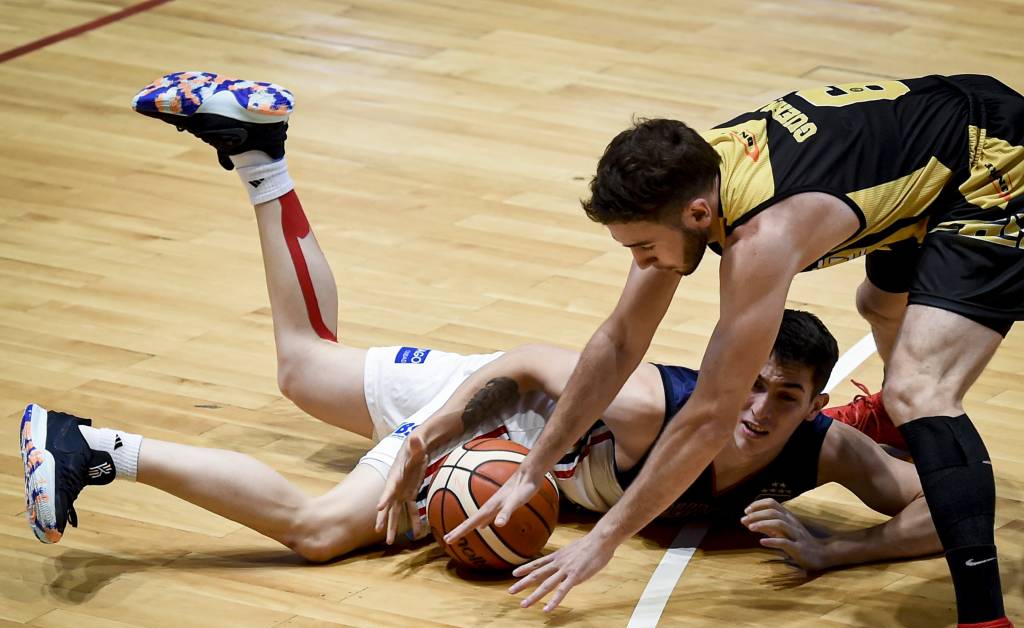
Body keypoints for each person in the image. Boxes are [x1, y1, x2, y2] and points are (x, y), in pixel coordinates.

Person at [19, 72, 937, 578]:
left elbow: (943, 510)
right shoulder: (659, 408)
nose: (762, 409)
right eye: (758, 385)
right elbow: (533, 361)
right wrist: (427, 436)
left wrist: (840, 550)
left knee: (301, 364)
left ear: (819, 404)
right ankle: (90, 448)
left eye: (787, 398)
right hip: (488, 411)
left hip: (506, 451)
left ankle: (261, 154)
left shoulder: (822, 452)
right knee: (320, 527)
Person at [429, 75, 1024, 628]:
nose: (641, 261)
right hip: (935, 149)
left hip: (994, 166)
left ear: (696, 216)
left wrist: (604, 539)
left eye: (643, 246)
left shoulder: (763, 237)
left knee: (922, 387)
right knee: (880, 305)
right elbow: (621, 338)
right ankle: (894, 422)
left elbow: (713, 414)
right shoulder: (690, 173)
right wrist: (533, 467)